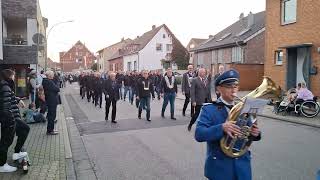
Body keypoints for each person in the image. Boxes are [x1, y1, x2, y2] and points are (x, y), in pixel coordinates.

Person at [195, 69, 261, 180]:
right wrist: (221, 128)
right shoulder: (209, 109)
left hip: (242, 167)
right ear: (219, 89)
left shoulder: (246, 107)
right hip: (220, 169)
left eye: (235, 86)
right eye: (229, 86)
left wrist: (255, 134)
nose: (233, 90)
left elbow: (248, 131)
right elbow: (199, 134)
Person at [0, 69, 29, 172]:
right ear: (9, 76)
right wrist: (11, 120)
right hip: (9, 119)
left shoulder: (6, 86)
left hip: (10, 118)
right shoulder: (5, 87)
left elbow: (10, 97)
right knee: (5, 142)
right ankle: (2, 165)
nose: (14, 77)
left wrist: (18, 100)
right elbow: (5, 107)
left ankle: (16, 153)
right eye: (13, 75)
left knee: (24, 130)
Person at [42, 70, 60, 135]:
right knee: (52, 116)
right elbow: (57, 89)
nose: (53, 76)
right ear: (49, 75)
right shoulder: (49, 82)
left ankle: (50, 129)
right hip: (51, 100)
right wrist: (57, 85)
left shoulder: (46, 81)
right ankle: (50, 130)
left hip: (50, 100)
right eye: (52, 74)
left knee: (51, 115)